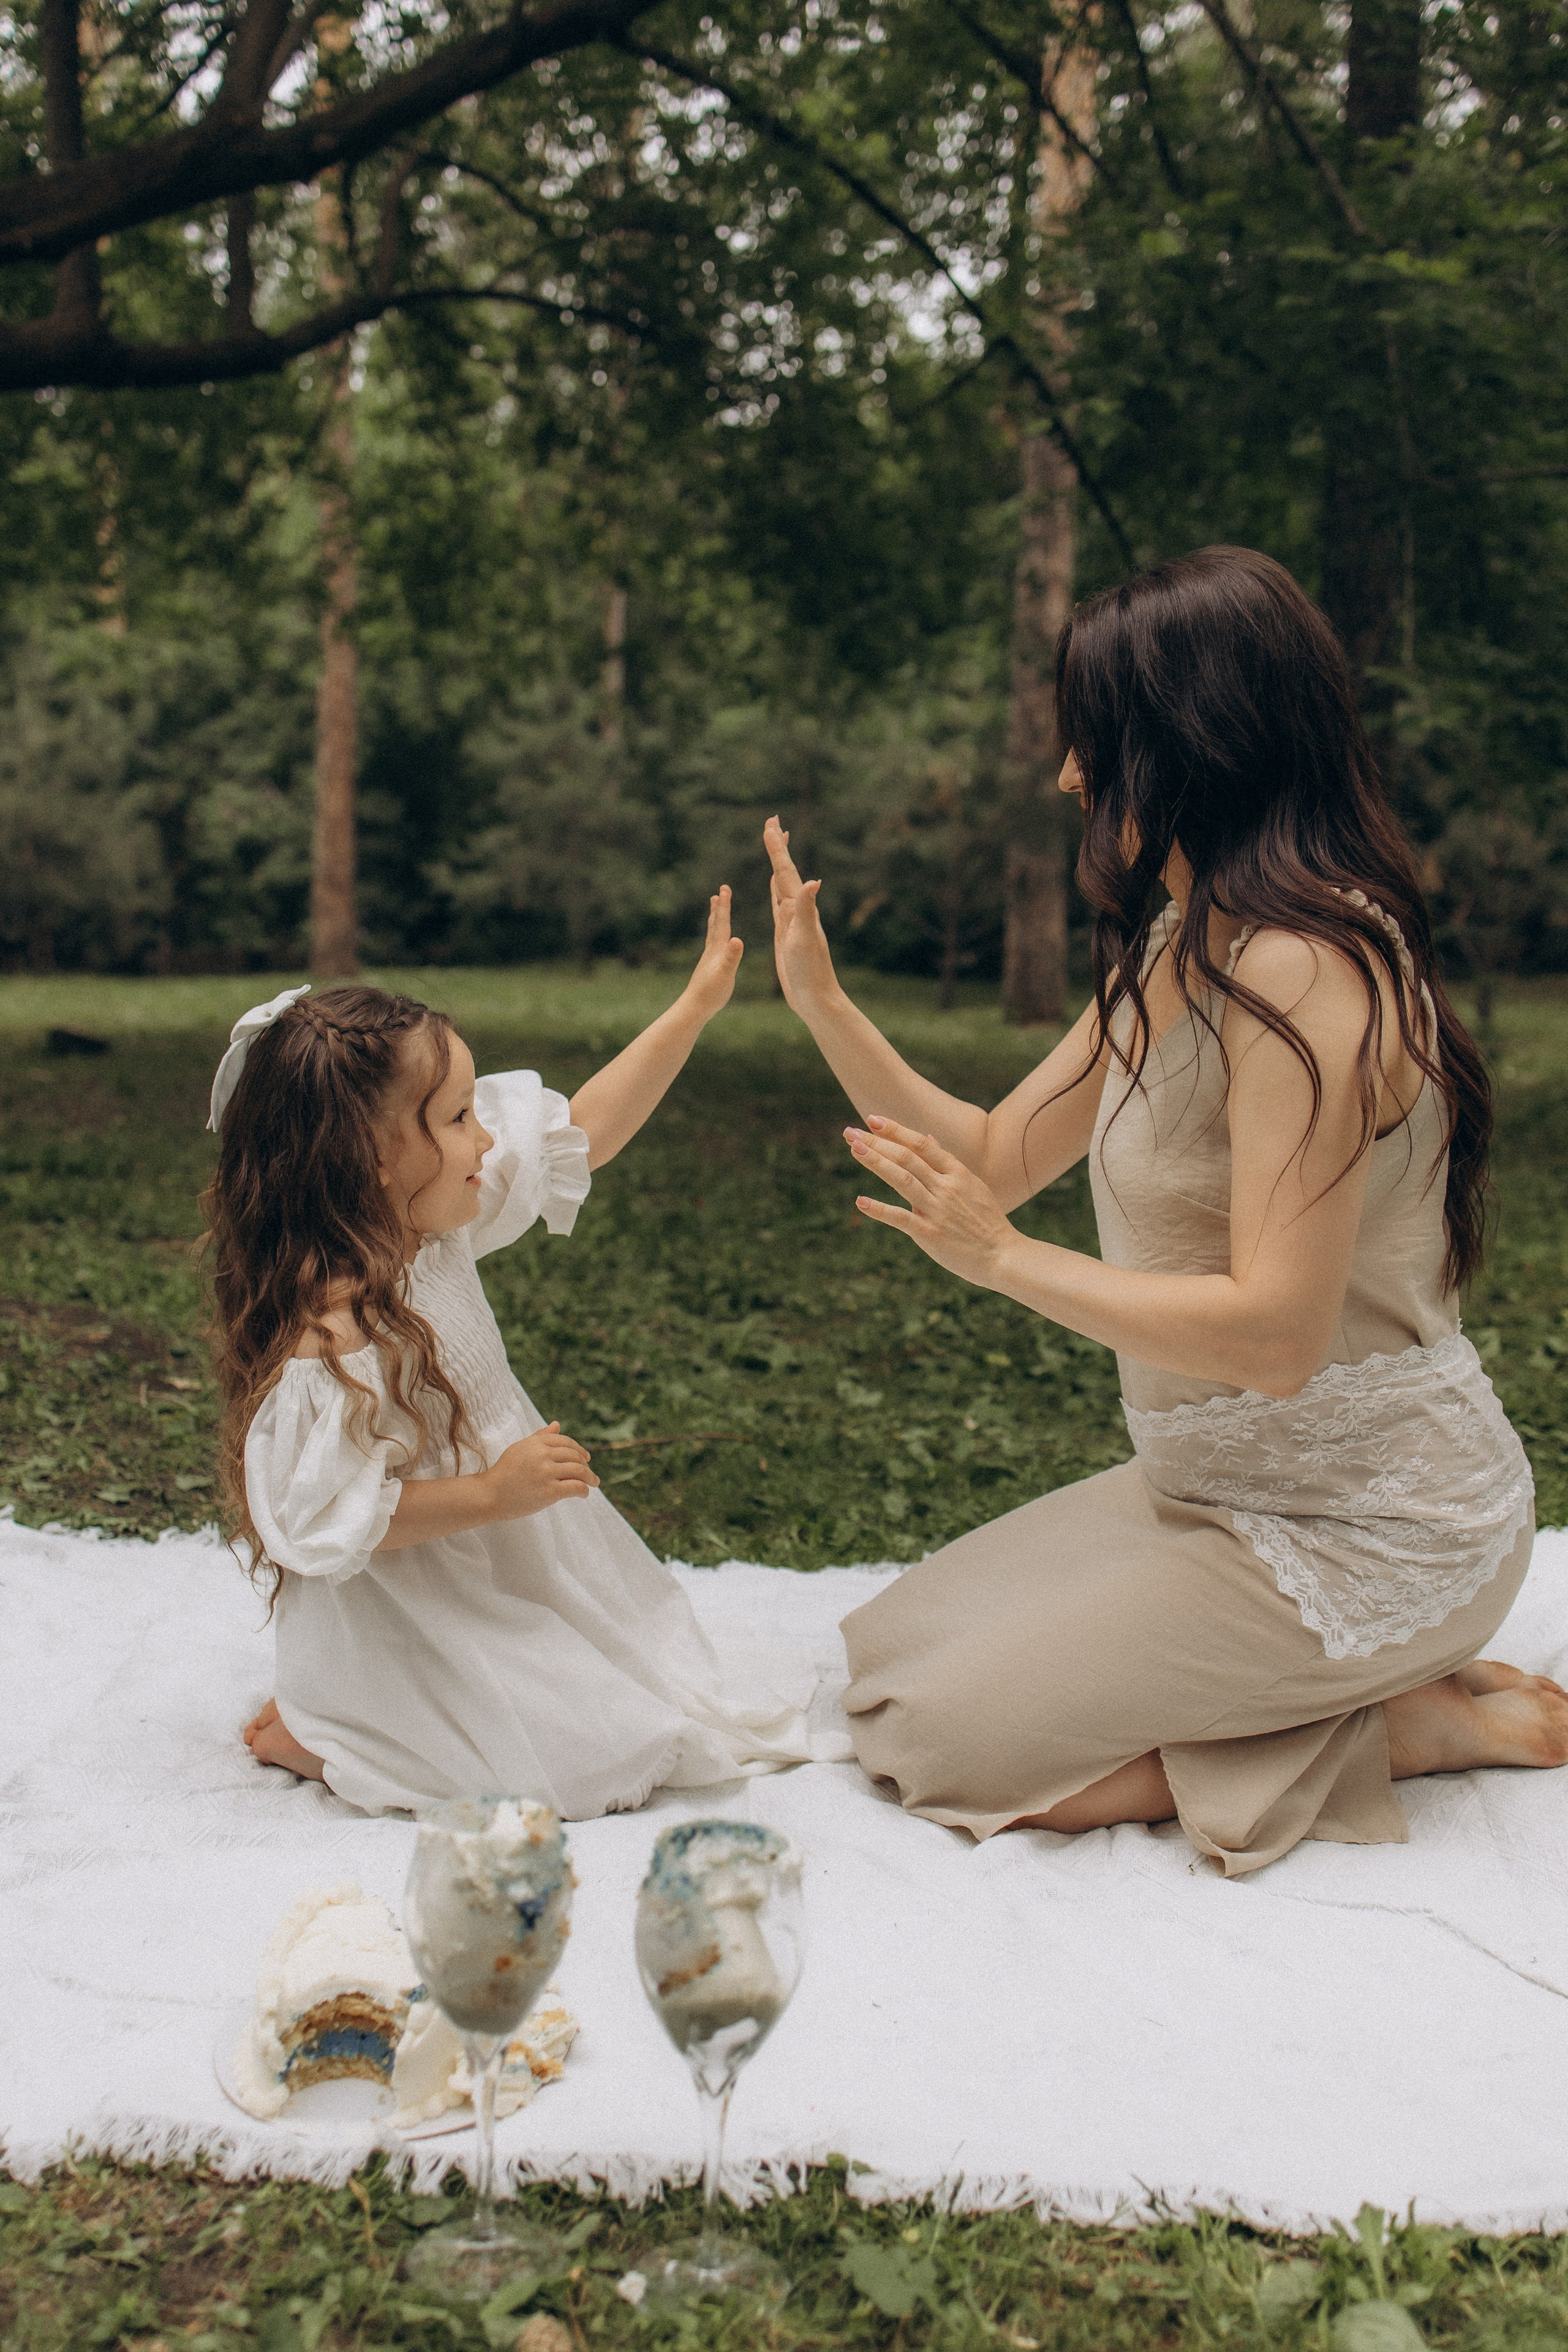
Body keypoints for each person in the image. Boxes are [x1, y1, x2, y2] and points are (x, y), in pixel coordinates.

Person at [765, 546, 1567, 1877]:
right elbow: (989, 1150)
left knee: (948, 1748)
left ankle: (1407, 1727)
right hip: (1212, 1491)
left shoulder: (1309, 972)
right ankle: (1334, 1694)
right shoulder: (1174, 946)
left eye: (1092, 741)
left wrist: (1005, 1264)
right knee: (889, 1669)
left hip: (1380, 1529)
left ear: (1186, 744)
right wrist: (823, 1006)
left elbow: (1273, 1338)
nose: (1067, 777)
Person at [209, 891, 821, 1818]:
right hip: (412, 1598)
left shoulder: (425, 1224)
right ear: (374, 1156)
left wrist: (693, 1006)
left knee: (652, 1681)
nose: (487, 1136)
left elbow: (587, 1130)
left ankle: (397, 1706)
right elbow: (331, 1521)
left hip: (507, 1552)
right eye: (458, 1118)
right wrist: (494, 1493)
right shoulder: (332, 1334)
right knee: (584, 1765)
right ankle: (333, 1724)